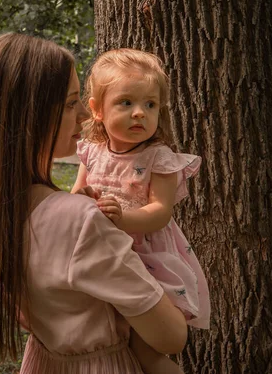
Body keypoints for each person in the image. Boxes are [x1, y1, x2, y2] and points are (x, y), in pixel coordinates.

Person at [0, 33, 187, 374]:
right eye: (72, 103)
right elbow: (172, 337)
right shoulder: (81, 222)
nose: (82, 118)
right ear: (34, 115)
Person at [71, 49, 210, 373]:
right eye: (126, 103)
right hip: (101, 252)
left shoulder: (158, 158)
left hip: (144, 256)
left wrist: (123, 218)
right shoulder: (91, 151)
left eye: (150, 105)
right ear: (97, 110)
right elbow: (77, 192)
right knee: (109, 336)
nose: (139, 114)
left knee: (145, 351)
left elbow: (161, 212)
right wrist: (83, 197)